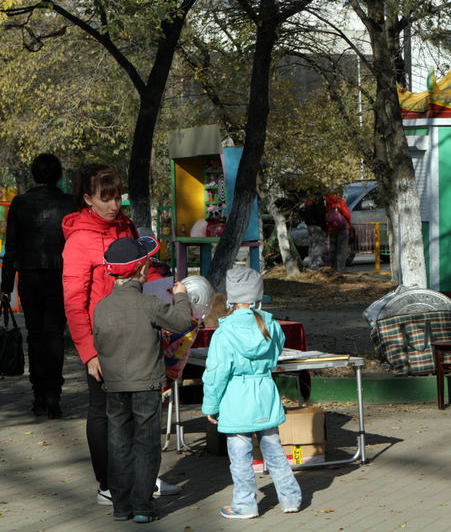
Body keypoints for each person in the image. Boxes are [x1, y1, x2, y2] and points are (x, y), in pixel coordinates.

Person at [61, 164, 181, 505]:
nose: (114, 205)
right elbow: (73, 302)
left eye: (117, 197)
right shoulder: (80, 240)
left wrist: (160, 279)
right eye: (106, 198)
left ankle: (142, 477)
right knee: (104, 410)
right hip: (104, 339)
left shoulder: (126, 226)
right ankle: (108, 484)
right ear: (88, 199)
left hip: (139, 330)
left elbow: (143, 265)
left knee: (140, 408)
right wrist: (88, 352)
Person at [92, 237, 193, 523]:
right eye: (146, 262)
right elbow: (182, 322)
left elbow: (101, 343)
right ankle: (143, 507)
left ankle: (121, 507)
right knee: (146, 446)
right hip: (146, 384)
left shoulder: (101, 307)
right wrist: (182, 295)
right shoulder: (149, 304)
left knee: (118, 446)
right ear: (141, 269)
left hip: (114, 385)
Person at [201, 267, 302, 519]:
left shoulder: (223, 333)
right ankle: (291, 498)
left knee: (240, 459)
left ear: (231, 298)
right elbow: (276, 352)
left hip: (236, 399)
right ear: (259, 297)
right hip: (265, 394)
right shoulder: (271, 325)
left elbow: (216, 374)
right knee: (275, 451)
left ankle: (245, 505)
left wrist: (210, 406)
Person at [0, 153, 74, 418]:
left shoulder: (20, 203)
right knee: (55, 335)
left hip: (29, 277)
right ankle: (53, 395)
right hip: (60, 276)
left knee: (35, 334)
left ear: (33, 174)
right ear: (58, 175)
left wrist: (5, 285)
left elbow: (11, 248)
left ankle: (39, 395)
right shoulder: (69, 203)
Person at [325, 192, 351, 273]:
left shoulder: (328, 202)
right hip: (342, 227)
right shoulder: (340, 201)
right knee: (342, 249)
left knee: (333, 248)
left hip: (332, 227)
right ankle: (341, 268)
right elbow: (347, 214)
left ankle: (332, 267)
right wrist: (348, 223)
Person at [300, 194, 327, 270]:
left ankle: (311, 264)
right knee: (317, 246)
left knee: (312, 246)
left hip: (309, 225)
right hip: (317, 225)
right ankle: (315, 265)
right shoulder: (318, 200)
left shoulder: (308, 201)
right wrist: (325, 227)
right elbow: (321, 214)